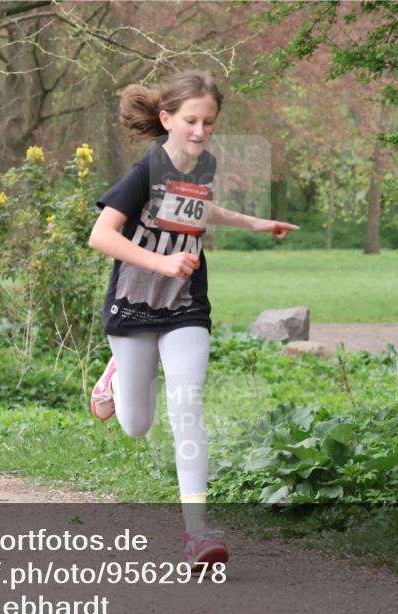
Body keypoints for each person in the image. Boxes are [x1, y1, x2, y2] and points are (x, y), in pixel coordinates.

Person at [87, 71, 298, 567]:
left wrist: (255, 222)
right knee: (137, 425)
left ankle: (197, 532)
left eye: (209, 122)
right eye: (190, 121)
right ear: (167, 119)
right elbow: (101, 236)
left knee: (187, 406)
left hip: (185, 305)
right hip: (135, 305)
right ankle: (115, 377)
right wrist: (160, 261)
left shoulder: (204, 165)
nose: (200, 130)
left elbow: (198, 211)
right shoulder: (144, 173)